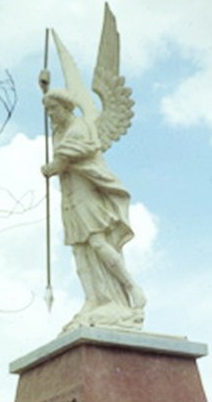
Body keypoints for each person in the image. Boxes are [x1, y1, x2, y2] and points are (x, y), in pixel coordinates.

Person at [42, 89, 145, 332]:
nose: (50, 115)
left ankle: (131, 287)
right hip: (70, 196)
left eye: (53, 109)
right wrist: (44, 90)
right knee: (80, 250)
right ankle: (93, 298)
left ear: (65, 107)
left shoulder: (78, 128)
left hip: (86, 193)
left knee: (97, 242)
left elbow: (65, 158)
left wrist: (51, 168)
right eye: (48, 111)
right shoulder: (61, 130)